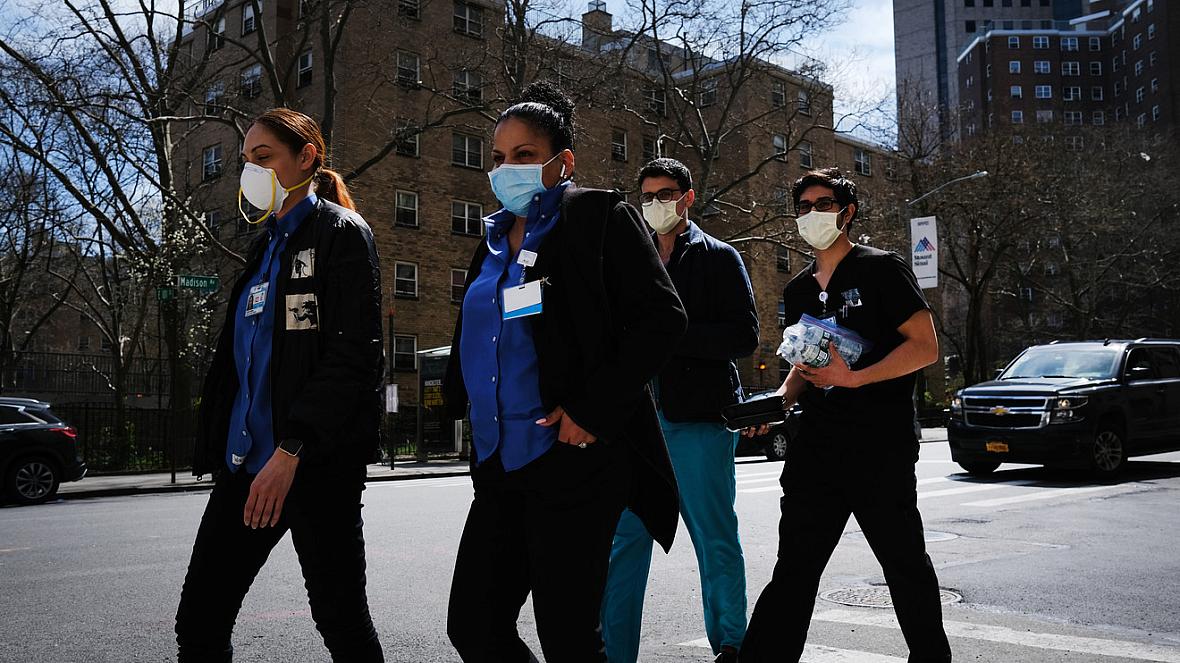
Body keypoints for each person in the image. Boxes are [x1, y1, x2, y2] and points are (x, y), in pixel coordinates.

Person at [442, 81, 688, 663]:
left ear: (563, 161)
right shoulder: (495, 237)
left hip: (573, 458)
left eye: (524, 156)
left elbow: (661, 320)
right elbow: (480, 332)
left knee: (569, 636)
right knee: (474, 624)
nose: (506, 169)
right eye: (498, 158)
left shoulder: (599, 217)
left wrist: (591, 410)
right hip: (501, 462)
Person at [175, 108, 385, 662]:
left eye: (263, 157)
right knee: (199, 623)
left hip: (312, 467)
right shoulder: (262, 246)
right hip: (247, 468)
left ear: (307, 157)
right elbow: (243, 366)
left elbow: (353, 355)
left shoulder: (341, 232)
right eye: (246, 160)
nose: (251, 169)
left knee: (341, 621)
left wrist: (293, 447)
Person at [740, 168, 952, 663]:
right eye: (804, 206)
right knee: (794, 569)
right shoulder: (795, 291)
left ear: (846, 212)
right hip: (815, 450)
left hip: (879, 448)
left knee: (904, 566)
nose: (811, 214)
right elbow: (803, 364)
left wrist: (854, 378)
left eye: (822, 204)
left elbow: (925, 348)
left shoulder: (883, 269)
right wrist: (775, 403)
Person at [601, 158, 757, 663]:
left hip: (699, 421)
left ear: (688, 198)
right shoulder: (629, 259)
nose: (654, 205)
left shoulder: (719, 258)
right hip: (635, 422)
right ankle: (613, 652)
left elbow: (743, 335)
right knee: (624, 543)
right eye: (646, 196)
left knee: (714, 537)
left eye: (665, 195)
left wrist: (669, 334)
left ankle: (730, 644)